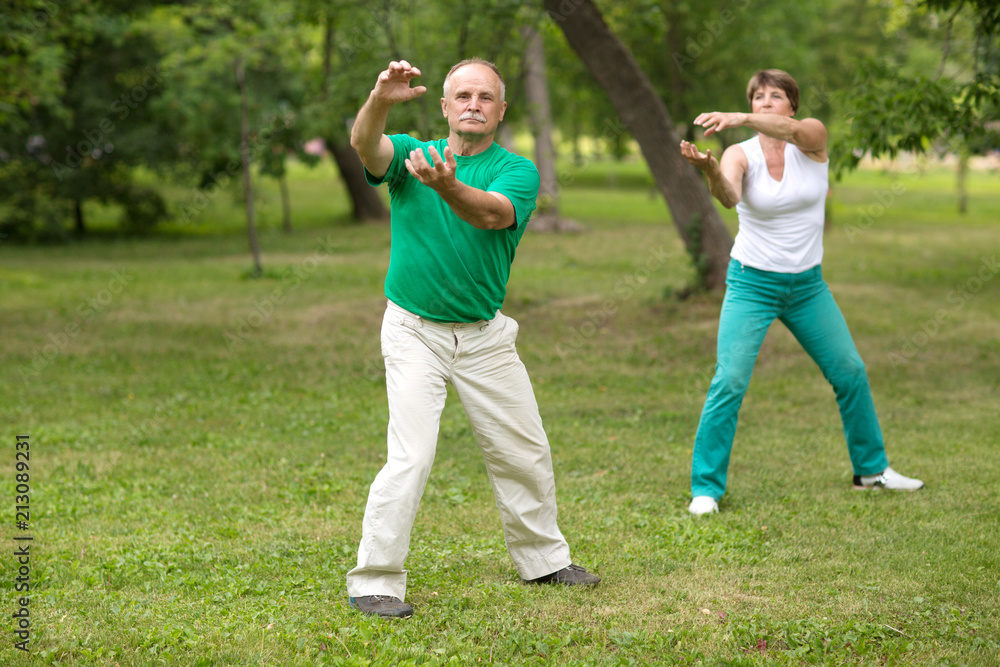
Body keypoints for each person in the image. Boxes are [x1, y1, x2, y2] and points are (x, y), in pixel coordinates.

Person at [345, 59, 600, 618]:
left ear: (501, 111)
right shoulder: (413, 154)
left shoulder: (518, 170)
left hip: (485, 337)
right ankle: (376, 581)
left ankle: (543, 560)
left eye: (485, 97)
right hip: (414, 331)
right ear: (445, 106)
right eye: (463, 95)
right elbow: (365, 145)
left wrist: (449, 185)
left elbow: (491, 216)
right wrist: (381, 98)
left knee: (524, 451)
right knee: (411, 456)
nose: (473, 104)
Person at [679, 69, 924, 516]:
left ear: (792, 105)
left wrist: (739, 116)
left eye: (776, 96)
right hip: (752, 283)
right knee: (729, 381)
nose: (766, 103)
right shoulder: (740, 153)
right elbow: (729, 197)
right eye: (757, 97)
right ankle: (706, 490)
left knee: (849, 370)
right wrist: (712, 168)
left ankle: (871, 471)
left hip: (807, 286)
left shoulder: (812, 140)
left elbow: (792, 132)